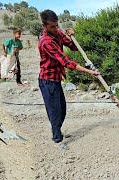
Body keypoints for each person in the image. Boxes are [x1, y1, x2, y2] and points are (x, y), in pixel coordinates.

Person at [38, 9, 100, 148]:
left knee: (62, 109)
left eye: (57, 25)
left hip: (56, 79)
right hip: (47, 80)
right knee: (54, 111)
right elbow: (65, 62)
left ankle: (57, 131)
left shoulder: (57, 32)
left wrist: (72, 36)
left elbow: (72, 46)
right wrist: (88, 71)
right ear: (44, 26)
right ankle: (57, 140)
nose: (56, 29)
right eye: (52, 27)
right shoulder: (45, 42)